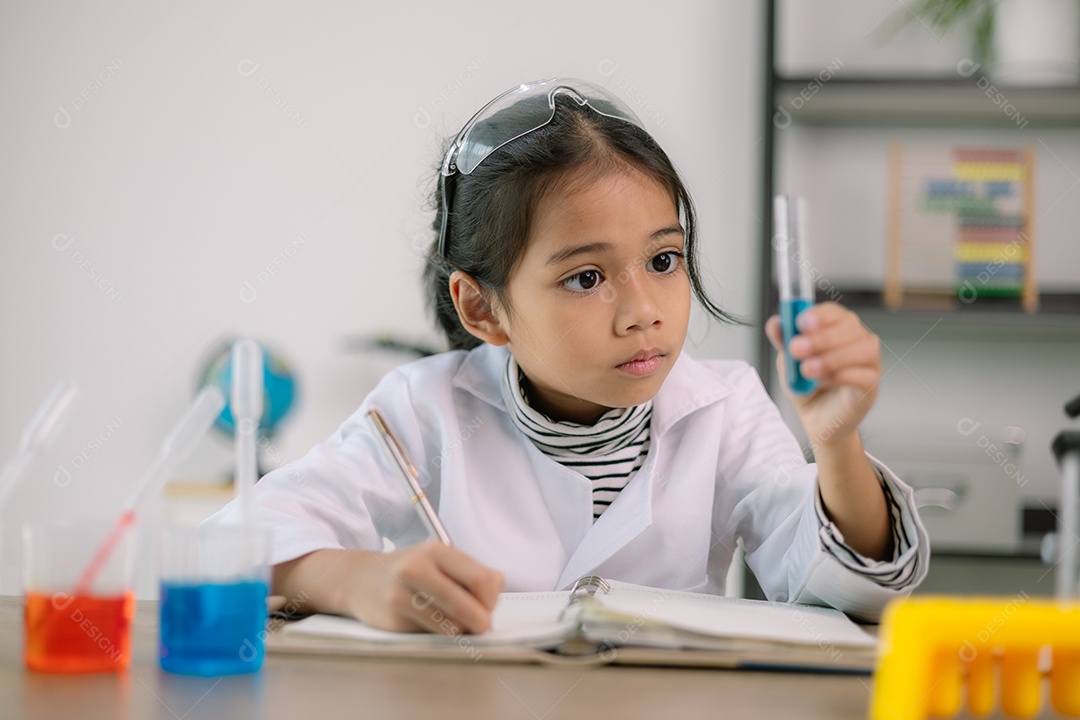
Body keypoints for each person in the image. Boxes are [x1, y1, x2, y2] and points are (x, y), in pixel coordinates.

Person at [207, 78, 928, 634]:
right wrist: (355, 581)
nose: (644, 309)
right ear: (482, 308)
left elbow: (843, 586)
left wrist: (836, 445)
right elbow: (229, 547)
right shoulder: (421, 410)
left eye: (665, 260)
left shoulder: (727, 407)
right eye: (587, 277)